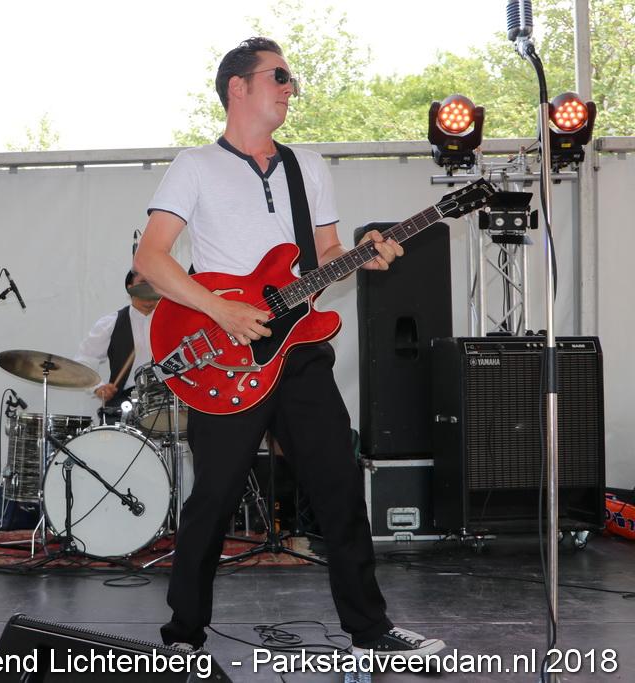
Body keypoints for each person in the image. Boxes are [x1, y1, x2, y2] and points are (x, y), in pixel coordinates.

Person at [133, 37, 445, 659]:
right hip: (228, 353)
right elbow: (151, 258)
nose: (290, 87)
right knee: (212, 502)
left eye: (291, 79)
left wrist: (363, 256)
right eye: (278, 76)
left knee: (340, 488)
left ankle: (370, 631)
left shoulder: (308, 166)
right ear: (237, 87)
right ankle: (182, 638)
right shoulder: (195, 165)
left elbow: (326, 256)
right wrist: (219, 308)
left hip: (299, 354)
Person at [75, 270, 159, 414]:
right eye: (143, 284)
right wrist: (98, 387)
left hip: (165, 400)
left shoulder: (174, 323)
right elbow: (84, 360)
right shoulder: (111, 323)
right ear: (130, 288)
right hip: (125, 402)